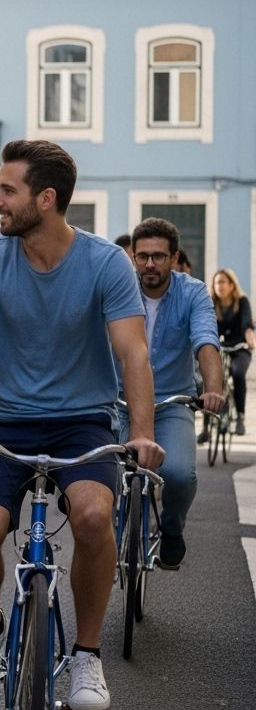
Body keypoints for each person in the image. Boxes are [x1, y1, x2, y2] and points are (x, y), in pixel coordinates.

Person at [0, 140, 162, 710]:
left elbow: (133, 354)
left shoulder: (105, 263)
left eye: (7, 190)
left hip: (83, 421)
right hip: (4, 419)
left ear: (45, 199)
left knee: (97, 516)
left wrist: (143, 433)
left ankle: (87, 655)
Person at [114, 218, 223, 570]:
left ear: (174, 258)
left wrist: (214, 389)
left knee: (178, 473)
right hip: (117, 401)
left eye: (158, 256)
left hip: (170, 401)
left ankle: (172, 529)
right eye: (142, 256)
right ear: (133, 257)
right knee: (99, 474)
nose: (149, 264)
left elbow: (205, 341)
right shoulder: (118, 289)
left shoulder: (193, 293)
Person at [210, 268, 255, 436]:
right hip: (220, 346)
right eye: (216, 282)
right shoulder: (212, 303)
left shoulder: (242, 301)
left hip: (240, 347)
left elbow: (247, 323)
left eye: (223, 282)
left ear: (231, 285)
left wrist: (250, 338)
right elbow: (207, 325)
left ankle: (240, 418)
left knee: (237, 373)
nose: (219, 286)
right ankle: (208, 426)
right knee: (213, 375)